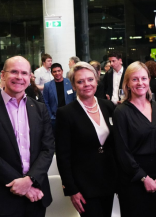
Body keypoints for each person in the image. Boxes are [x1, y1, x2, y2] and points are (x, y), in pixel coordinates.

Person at [0, 56, 55, 216]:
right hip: (2, 194)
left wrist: (30, 180)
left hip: (36, 195)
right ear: (3, 75)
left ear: (30, 77)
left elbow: (48, 148)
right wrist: (23, 187)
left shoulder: (39, 109)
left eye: (24, 73)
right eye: (14, 72)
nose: (19, 77)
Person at [55, 62, 118, 217]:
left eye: (90, 79)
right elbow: (63, 156)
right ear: (74, 86)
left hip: (109, 179)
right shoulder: (66, 113)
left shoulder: (108, 106)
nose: (86, 84)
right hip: (84, 185)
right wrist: (72, 189)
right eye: (80, 81)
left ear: (96, 80)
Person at [113, 62, 156, 217]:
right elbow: (122, 151)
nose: (140, 83)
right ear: (127, 84)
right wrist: (143, 178)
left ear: (149, 80)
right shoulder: (121, 112)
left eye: (144, 78)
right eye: (135, 79)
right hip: (133, 178)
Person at [43, 63, 76, 130]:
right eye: (54, 71)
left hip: (70, 115)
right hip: (55, 118)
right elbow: (45, 102)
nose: (57, 73)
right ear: (51, 73)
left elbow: (75, 98)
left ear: (62, 71)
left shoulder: (70, 83)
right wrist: (51, 116)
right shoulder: (47, 86)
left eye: (59, 71)